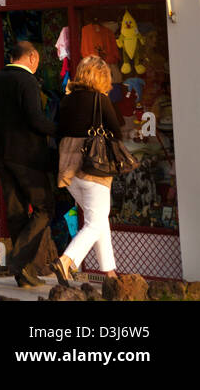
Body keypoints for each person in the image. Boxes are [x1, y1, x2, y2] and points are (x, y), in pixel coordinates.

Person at [0, 40, 58, 288]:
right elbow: (36, 119)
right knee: (45, 207)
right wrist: (60, 131)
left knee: (16, 212)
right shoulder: (27, 81)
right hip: (29, 157)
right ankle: (19, 259)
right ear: (32, 57)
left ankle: (25, 274)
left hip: (1, 156)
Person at [52, 55, 124, 285]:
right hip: (95, 166)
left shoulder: (66, 100)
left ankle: (110, 273)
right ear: (101, 78)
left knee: (98, 219)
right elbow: (117, 130)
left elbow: (57, 130)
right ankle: (67, 260)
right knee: (95, 221)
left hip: (69, 169)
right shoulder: (100, 100)